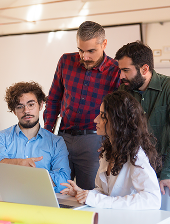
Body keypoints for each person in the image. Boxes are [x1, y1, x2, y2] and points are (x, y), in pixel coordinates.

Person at [44, 21, 120, 190]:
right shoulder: (66, 61)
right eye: (81, 50)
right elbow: (54, 99)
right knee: (57, 191)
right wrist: (48, 132)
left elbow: (118, 113)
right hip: (62, 138)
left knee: (88, 194)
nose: (84, 56)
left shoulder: (115, 70)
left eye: (91, 51)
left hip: (95, 141)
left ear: (104, 44)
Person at [60, 90, 161, 209]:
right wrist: (83, 194)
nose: (95, 120)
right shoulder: (108, 151)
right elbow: (104, 193)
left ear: (118, 121)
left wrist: (95, 199)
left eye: (102, 116)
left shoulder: (136, 156)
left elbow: (153, 199)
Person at [115, 41, 170, 202]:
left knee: (160, 216)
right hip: (133, 165)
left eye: (126, 70)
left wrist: (168, 173)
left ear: (145, 68)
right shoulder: (123, 90)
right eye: (120, 70)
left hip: (163, 166)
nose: (121, 76)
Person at [0, 81, 70, 193]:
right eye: (20, 106)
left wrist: (31, 176)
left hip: (44, 200)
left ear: (40, 105)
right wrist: (19, 163)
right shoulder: (0, 138)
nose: (26, 111)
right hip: (9, 198)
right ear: (14, 111)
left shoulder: (56, 142)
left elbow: (64, 180)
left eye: (31, 105)